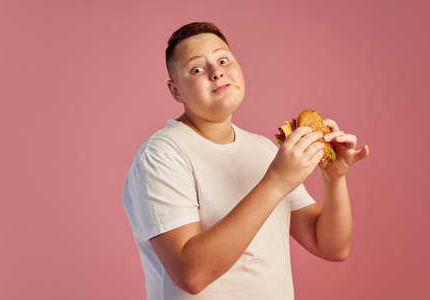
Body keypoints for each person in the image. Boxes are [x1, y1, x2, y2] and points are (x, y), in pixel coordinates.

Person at [122, 22, 369, 300]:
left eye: (223, 59)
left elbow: (331, 246)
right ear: (175, 90)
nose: (217, 73)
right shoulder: (162, 155)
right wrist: (276, 182)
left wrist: (334, 178)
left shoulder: (264, 150)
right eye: (197, 69)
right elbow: (191, 274)